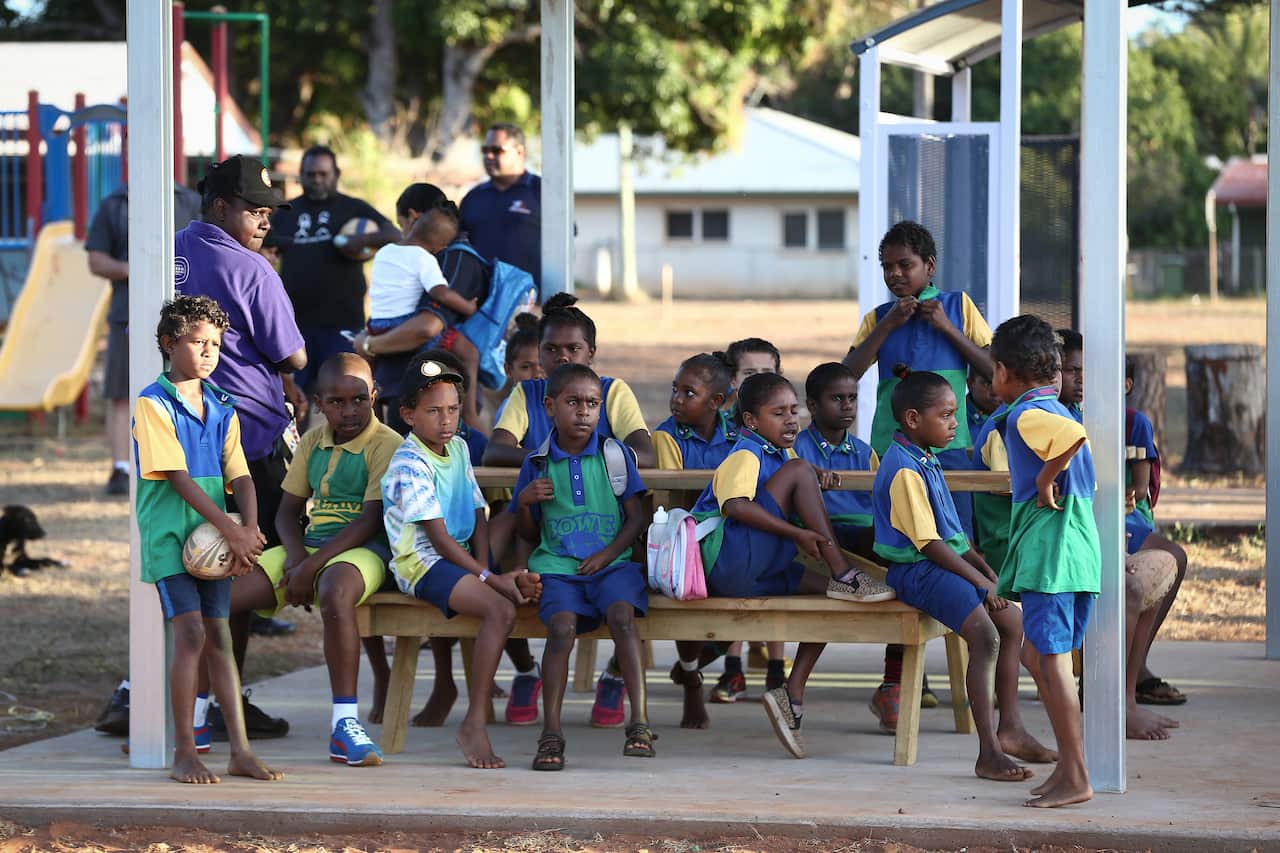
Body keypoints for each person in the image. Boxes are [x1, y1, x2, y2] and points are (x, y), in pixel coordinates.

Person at [684, 372, 893, 759]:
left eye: (793, 411)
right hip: (731, 565)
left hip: (763, 568)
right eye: (778, 413)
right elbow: (735, 505)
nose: (791, 420)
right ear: (751, 421)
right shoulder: (745, 453)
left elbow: (795, 475)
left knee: (839, 601)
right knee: (802, 479)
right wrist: (797, 533)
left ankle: (791, 694)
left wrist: (816, 475)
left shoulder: (783, 455)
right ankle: (844, 571)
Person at [175, 154, 306, 740]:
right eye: (254, 209)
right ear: (220, 206)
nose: (264, 221)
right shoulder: (252, 270)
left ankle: (208, 704)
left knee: (196, 561)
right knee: (254, 561)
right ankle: (214, 705)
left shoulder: (167, 251)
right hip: (251, 440)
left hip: (182, 437)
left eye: (269, 211)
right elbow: (293, 356)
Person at [843, 219, 993, 727]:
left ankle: (971, 673)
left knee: (955, 547)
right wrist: (889, 326)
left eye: (905, 265)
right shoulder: (878, 317)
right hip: (893, 454)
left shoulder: (958, 306)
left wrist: (945, 329)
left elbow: (994, 370)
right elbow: (849, 374)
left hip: (954, 454)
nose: (895, 275)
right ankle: (902, 676)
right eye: (887, 267)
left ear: (930, 266)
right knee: (900, 554)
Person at [481, 293, 655, 728]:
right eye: (551, 349)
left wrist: (593, 456)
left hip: (606, 523)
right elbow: (494, 449)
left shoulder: (611, 391)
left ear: (591, 353)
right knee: (500, 530)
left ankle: (616, 679)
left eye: (573, 349)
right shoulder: (530, 393)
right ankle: (517, 655)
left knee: (626, 593)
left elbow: (643, 454)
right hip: (542, 528)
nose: (561, 357)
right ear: (538, 354)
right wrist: (550, 460)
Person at [872, 367, 1054, 780]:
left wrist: (990, 575)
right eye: (947, 416)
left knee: (1013, 621)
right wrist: (979, 584)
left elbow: (956, 538)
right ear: (913, 419)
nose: (956, 423)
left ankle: (1012, 729)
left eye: (956, 414)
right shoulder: (903, 467)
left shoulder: (927, 459)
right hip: (917, 572)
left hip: (942, 565)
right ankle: (987, 750)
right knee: (985, 635)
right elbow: (929, 545)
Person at [224, 354, 401, 766]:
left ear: (374, 395)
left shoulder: (386, 443)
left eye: (359, 399)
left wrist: (307, 567)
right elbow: (288, 511)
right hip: (311, 545)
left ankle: (344, 724)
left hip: (366, 549)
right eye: (337, 402)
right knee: (222, 598)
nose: (349, 410)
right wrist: (297, 558)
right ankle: (203, 711)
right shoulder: (311, 441)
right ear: (319, 403)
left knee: (336, 591)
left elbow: (369, 521)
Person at [133, 295, 281, 785]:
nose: (208, 351)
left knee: (221, 635)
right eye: (197, 342)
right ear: (168, 344)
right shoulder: (152, 404)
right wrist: (232, 530)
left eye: (216, 343)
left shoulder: (222, 403)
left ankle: (240, 750)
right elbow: (177, 478)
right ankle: (185, 751)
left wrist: (251, 530)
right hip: (172, 535)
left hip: (219, 538)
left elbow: (239, 474)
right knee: (191, 633)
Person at [381, 353, 539, 769]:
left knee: (509, 524)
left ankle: (514, 577)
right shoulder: (410, 462)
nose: (446, 420)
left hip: (460, 555)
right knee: (501, 609)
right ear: (408, 415)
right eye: (433, 411)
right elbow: (436, 538)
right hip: (423, 563)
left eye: (452, 409)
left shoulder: (460, 448)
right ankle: (474, 722)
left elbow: (478, 511)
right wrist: (490, 579)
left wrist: (488, 567)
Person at [510, 363, 653, 769]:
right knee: (559, 630)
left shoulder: (615, 454)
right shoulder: (536, 463)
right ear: (550, 406)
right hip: (557, 567)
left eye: (592, 403)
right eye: (573, 403)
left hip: (612, 564)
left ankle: (639, 722)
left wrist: (607, 555)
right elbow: (526, 531)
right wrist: (524, 502)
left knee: (624, 618)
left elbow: (636, 518)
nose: (584, 412)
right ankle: (551, 732)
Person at [990, 314, 1100, 808]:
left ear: (1001, 372)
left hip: (1051, 556)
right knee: (1038, 656)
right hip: (1071, 553)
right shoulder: (1050, 405)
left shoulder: (1028, 414)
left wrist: (1041, 479)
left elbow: (1070, 442)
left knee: (1051, 662)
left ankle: (1075, 773)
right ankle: (1068, 770)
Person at [793, 361, 931, 732]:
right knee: (864, 585)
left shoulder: (866, 451)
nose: (847, 406)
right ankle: (802, 688)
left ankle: (892, 682)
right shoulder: (796, 448)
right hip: (824, 540)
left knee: (911, 570)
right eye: (836, 398)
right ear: (814, 405)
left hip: (867, 536)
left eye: (852, 398)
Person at [85, 182, 202, 497]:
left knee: (187, 391)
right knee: (123, 393)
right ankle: (121, 469)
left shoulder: (190, 202)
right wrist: (136, 269)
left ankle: (187, 466)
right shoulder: (115, 203)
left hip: (183, 317)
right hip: (129, 314)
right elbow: (96, 260)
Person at [351, 183, 488, 434]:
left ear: (413, 219)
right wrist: (467, 307)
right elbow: (433, 311)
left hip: (376, 324)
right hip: (405, 342)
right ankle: (470, 416)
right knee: (464, 350)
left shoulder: (385, 251)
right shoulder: (429, 258)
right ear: (438, 246)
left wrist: (369, 343)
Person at [652, 352, 739, 729]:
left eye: (689, 393)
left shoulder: (739, 434)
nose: (676, 399)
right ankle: (691, 679)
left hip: (733, 532)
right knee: (687, 591)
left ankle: (712, 654)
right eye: (676, 390)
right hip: (685, 538)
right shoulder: (666, 435)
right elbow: (678, 492)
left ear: (717, 402)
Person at [271, 145, 397, 394]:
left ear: (336, 175)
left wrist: (361, 241)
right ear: (301, 175)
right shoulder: (286, 212)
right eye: (311, 174)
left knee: (346, 396)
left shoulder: (353, 207)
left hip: (343, 323)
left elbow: (394, 233)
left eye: (323, 174)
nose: (317, 180)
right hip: (295, 324)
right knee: (294, 400)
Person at [711, 339, 787, 701]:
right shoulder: (726, 430)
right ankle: (733, 668)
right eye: (749, 374)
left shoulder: (780, 429)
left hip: (769, 525)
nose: (758, 380)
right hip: (734, 530)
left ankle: (776, 667)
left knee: (778, 563)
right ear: (732, 381)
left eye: (767, 373)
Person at [1122, 355, 1189, 709]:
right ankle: (1123, 679)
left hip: (1127, 514)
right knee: (1137, 579)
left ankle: (1137, 665)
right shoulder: (1066, 418)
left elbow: (1138, 487)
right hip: (1093, 516)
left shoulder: (1134, 422)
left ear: (1127, 386)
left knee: (1172, 560)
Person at [460, 123, 542, 295]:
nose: (489, 156)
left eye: (497, 150)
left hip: (531, 303)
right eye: (485, 150)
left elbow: (564, 240)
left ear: (519, 152)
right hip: (481, 304)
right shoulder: (473, 197)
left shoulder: (542, 191)